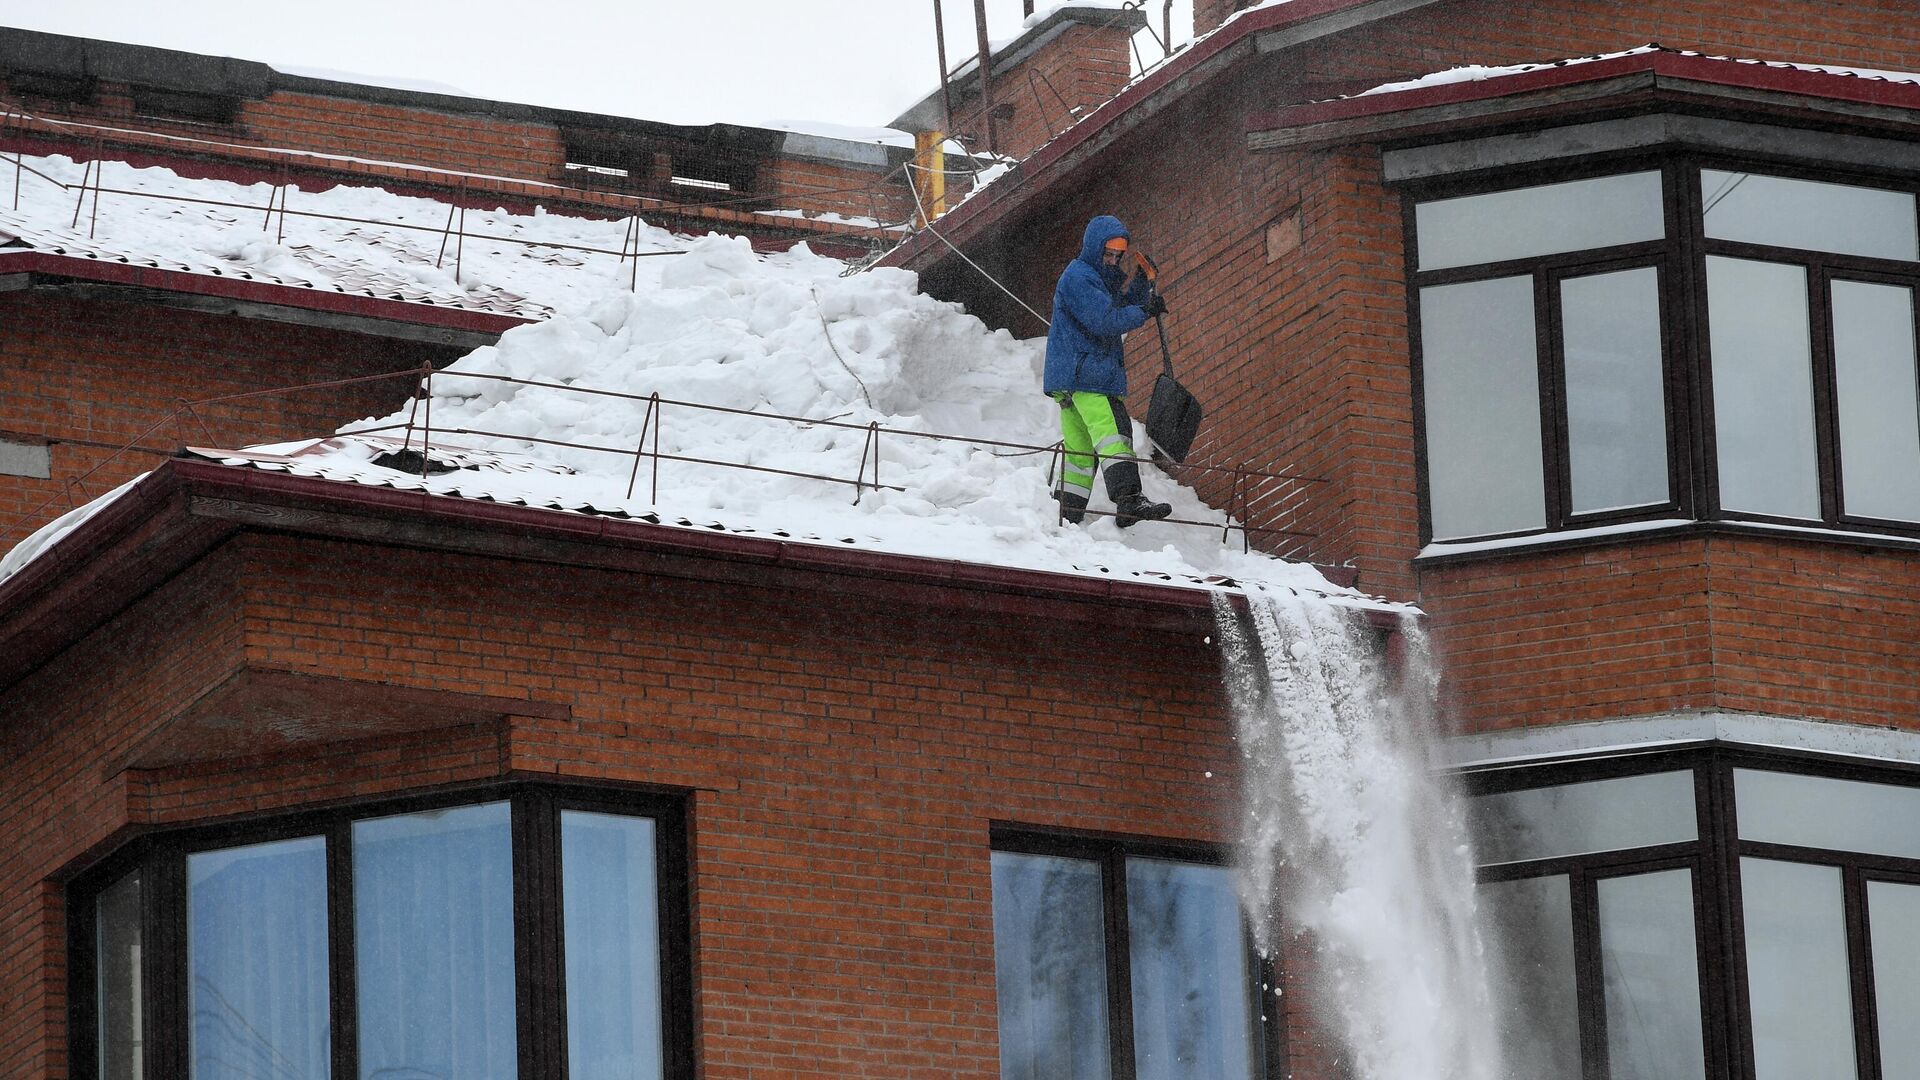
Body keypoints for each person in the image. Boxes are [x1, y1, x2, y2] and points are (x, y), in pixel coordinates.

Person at [1042, 214, 1173, 527]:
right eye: (1108, 254)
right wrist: (1144, 311)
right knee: (1114, 430)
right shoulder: (1079, 276)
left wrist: (1141, 281)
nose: (1113, 260)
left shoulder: (1093, 278)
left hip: (1072, 377)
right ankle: (1129, 501)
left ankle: (1065, 516)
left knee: (1080, 452)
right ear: (1093, 248)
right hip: (1087, 372)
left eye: (1118, 255)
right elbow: (1105, 320)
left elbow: (1116, 308)